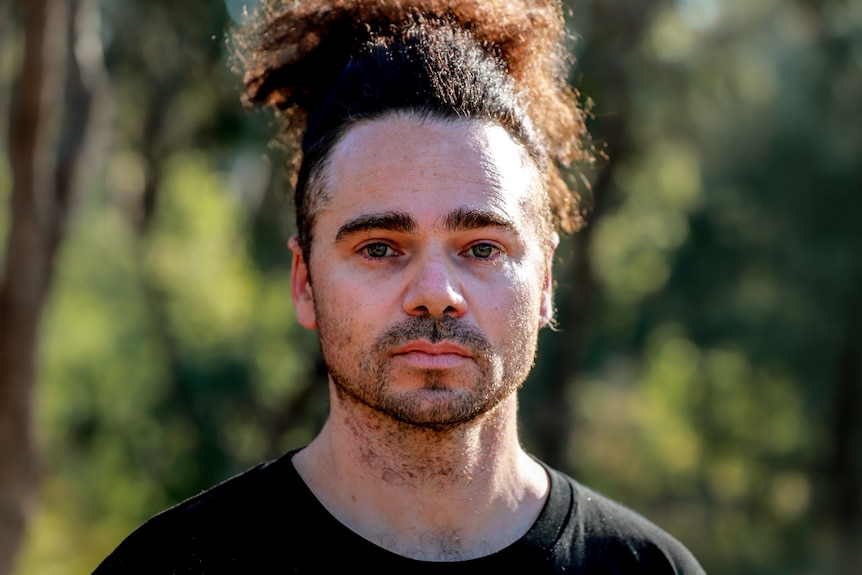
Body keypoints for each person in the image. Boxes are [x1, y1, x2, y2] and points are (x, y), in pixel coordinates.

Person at [94, 1, 706, 572]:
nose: (437, 292)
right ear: (304, 282)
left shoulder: (648, 568)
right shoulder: (171, 565)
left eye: (483, 248)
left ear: (545, 279)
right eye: (380, 248)